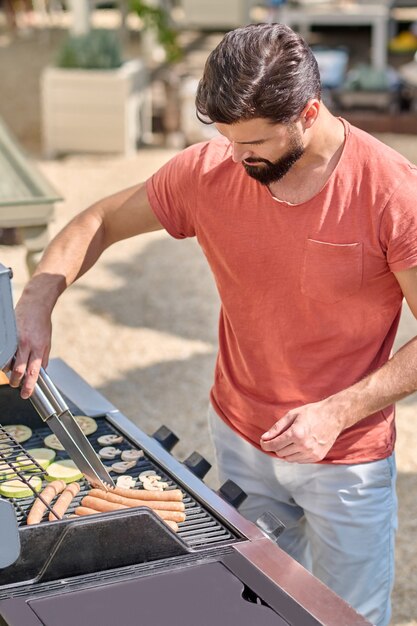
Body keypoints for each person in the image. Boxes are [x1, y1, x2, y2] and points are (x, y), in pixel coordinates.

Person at [9, 23, 417, 626]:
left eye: (253, 142)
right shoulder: (210, 170)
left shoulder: (391, 191)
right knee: (256, 608)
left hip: (347, 455)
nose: (236, 156)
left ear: (308, 112)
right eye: (225, 138)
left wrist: (336, 412)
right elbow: (98, 221)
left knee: (347, 618)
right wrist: (37, 300)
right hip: (238, 431)